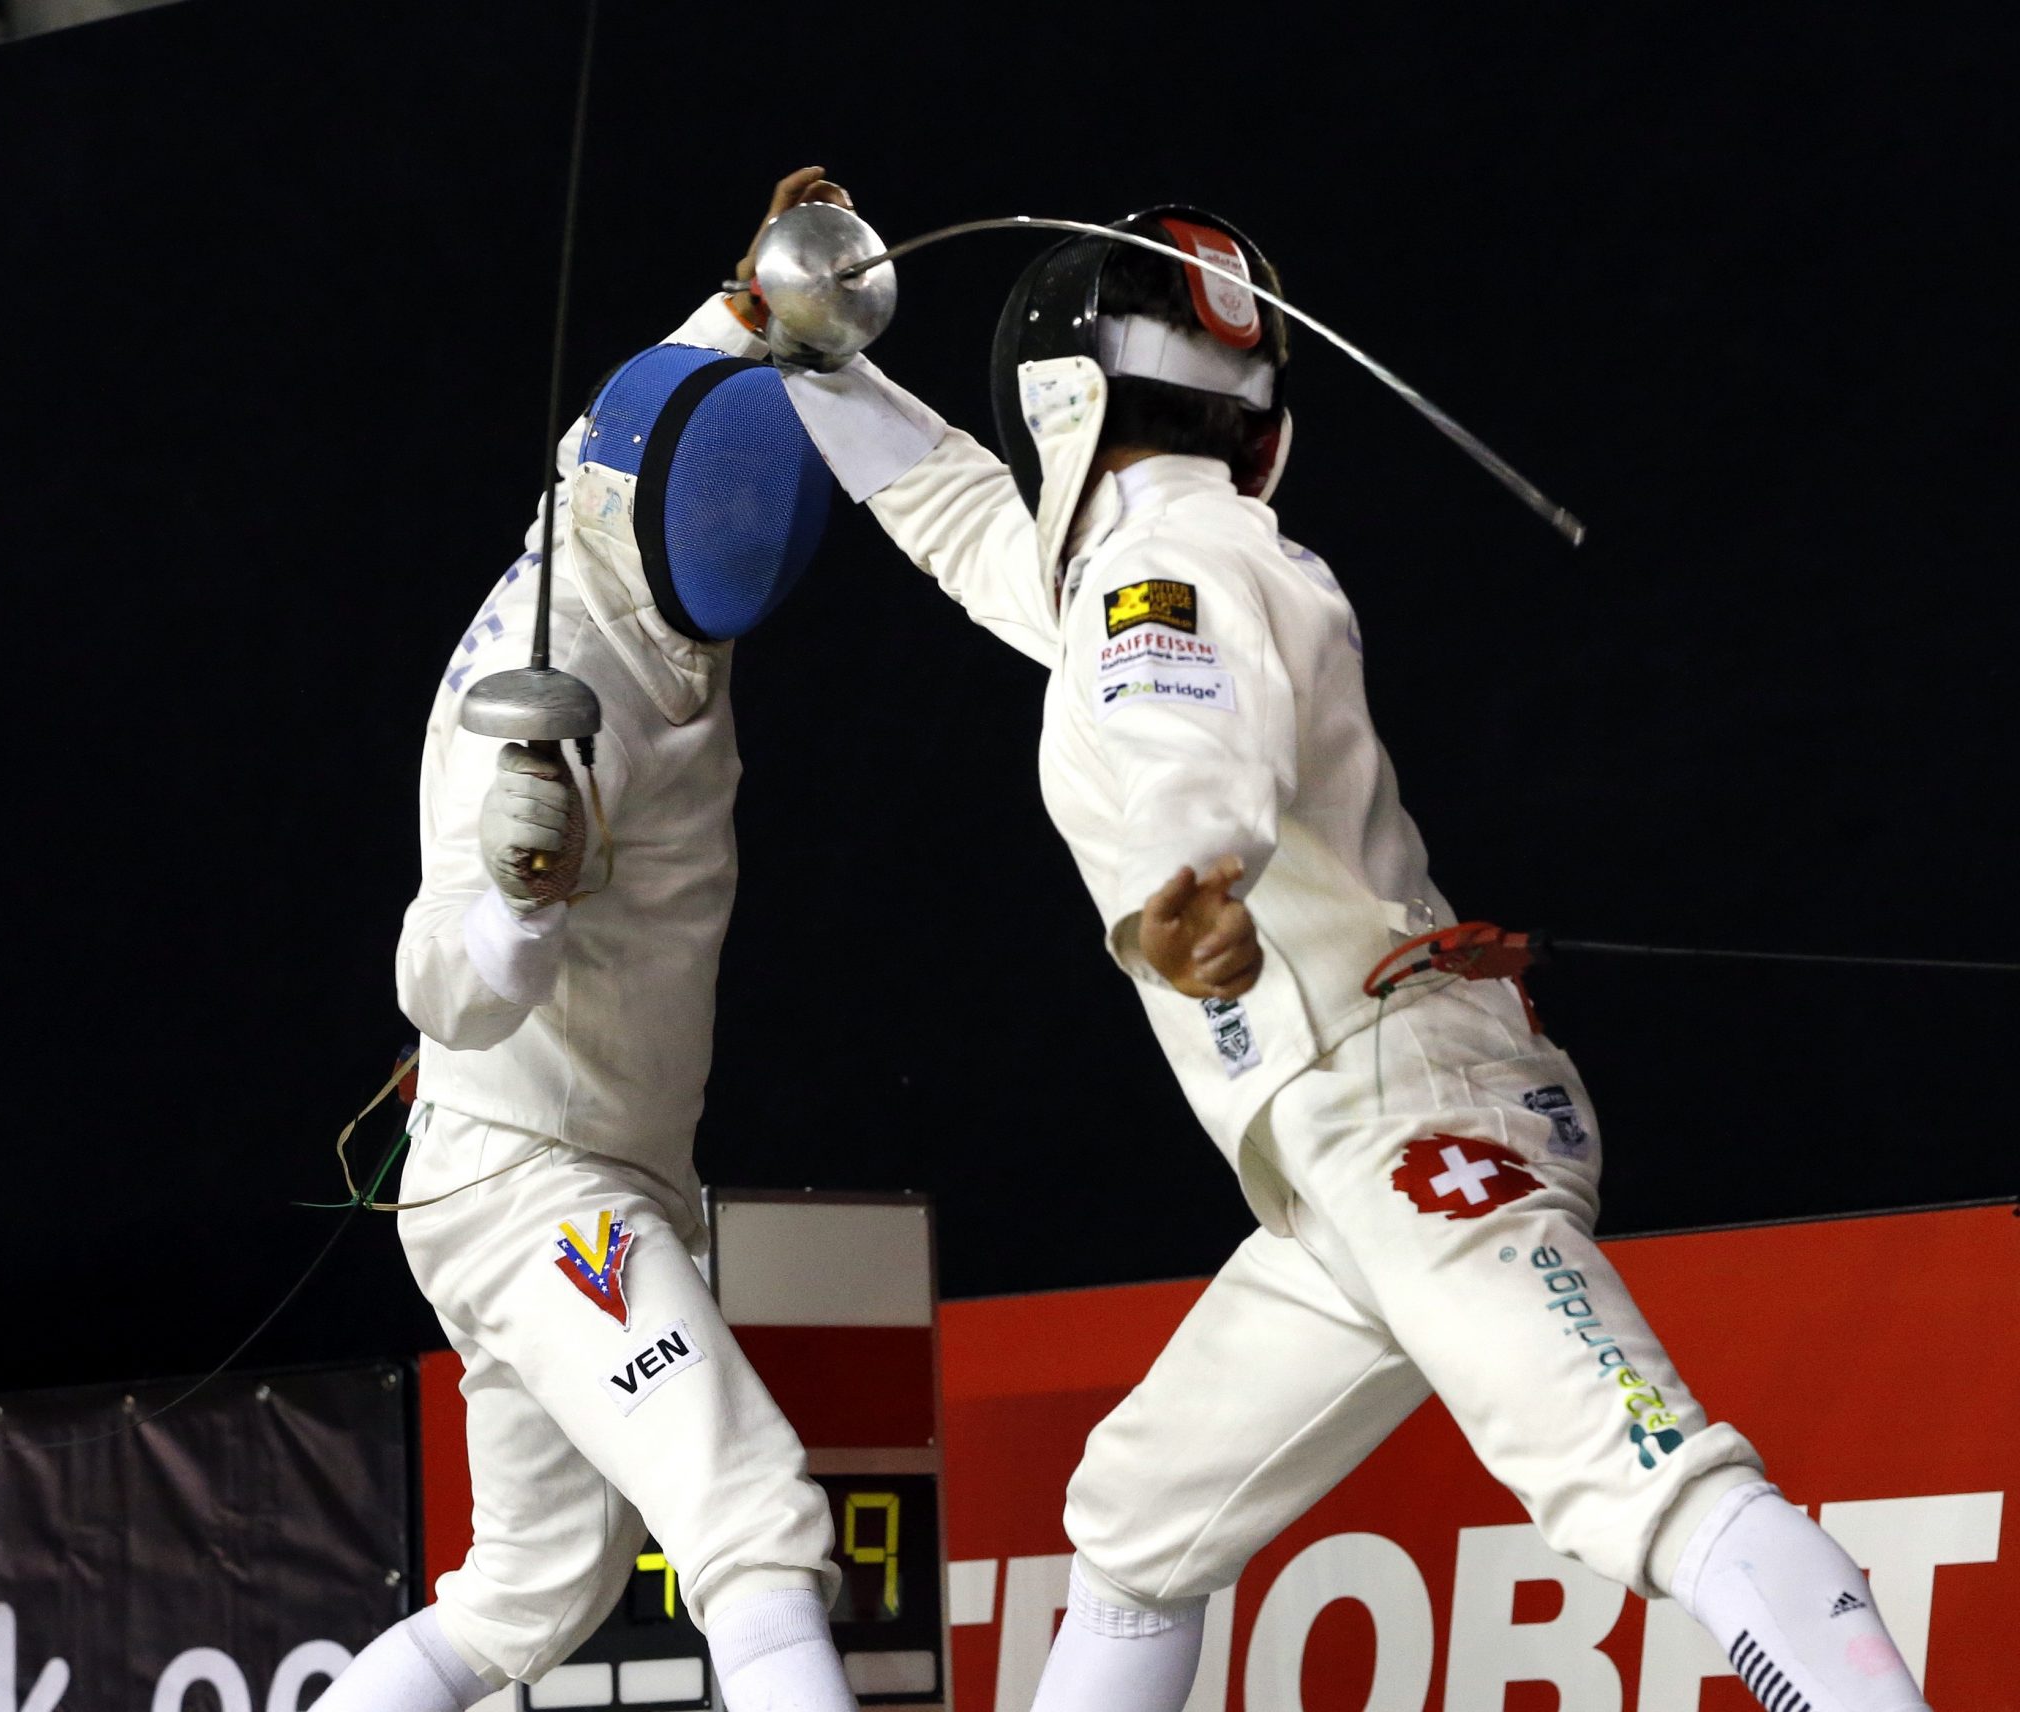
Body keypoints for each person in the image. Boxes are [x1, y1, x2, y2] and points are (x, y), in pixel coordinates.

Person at [770, 203, 1934, 1712]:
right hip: (1352, 1154)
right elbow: (960, 520)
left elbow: (1182, 730)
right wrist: (808, 357)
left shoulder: (1161, 574)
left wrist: (1188, 878)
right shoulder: (1166, 554)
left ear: (1060, 400)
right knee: (1136, 1523)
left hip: (1410, 1132)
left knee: (1648, 1472)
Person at [313, 171, 861, 1712]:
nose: (744, 538)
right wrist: (515, 904)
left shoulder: (614, 502)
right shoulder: (548, 715)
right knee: (752, 1517)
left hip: (600, 1157)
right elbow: (439, 987)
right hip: (530, 1181)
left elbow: (676, 411)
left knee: (527, 1597)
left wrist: (757, 297)